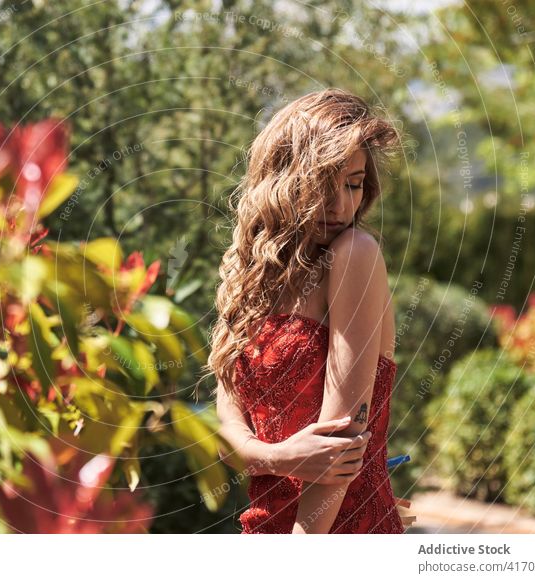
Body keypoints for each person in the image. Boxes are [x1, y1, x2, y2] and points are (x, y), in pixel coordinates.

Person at [209, 88, 406, 534]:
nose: (340, 206)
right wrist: (278, 457)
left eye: (353, 184)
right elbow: (226, 438)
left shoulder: (355, 253)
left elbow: (340, 449)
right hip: (264, 528)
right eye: (323, 183)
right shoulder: (252, 283)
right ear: (282, 178)